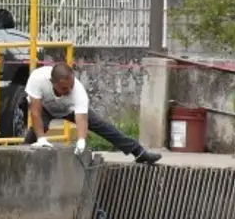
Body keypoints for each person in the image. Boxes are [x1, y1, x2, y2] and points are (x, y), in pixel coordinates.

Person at [25, 62, 162, 164]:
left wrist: (81, 142)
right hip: (45, 108)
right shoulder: (37, 79)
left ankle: (139, 152)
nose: (69, 90)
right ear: (52, 83)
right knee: (34, 137)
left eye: (71, 86)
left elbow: (82, 119)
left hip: (69, 109)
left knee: (102, 125)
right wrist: (42, 138)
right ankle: (21, 157)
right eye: (64, 88)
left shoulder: (78, 92)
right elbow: (35, 112)